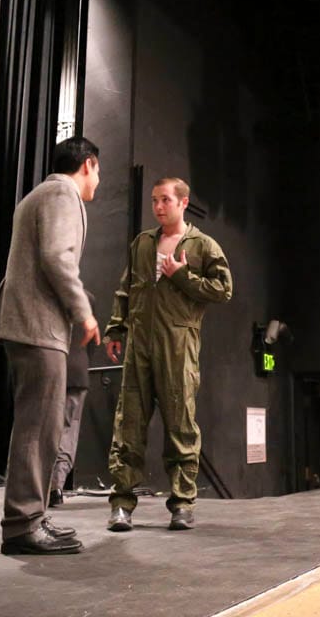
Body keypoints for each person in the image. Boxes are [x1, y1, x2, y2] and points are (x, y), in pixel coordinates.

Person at [0, 136, 101, 555]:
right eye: (98, 172)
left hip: (28, 325)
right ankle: (22, 523)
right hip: (38, 327)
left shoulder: (39, 194)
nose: (98, 181)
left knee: (42, 425)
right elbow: (58, 257)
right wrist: (83, 313)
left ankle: (31, 516)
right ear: (88, 164)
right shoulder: (61, 192)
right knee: (38, 427)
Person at [103, 177, 232, 531]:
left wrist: (182, 275)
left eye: (165, 200)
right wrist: (116, 328)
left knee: (181, 426)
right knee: (128, 425)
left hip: (178, 346)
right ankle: (122, 504)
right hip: (139, 346)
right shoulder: (142, 244)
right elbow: (126, 289)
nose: (158, 207)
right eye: (154, 201)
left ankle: (182, 504)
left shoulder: (203, 245)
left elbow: (223, 289)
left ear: (183, 202)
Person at [48, 290, 96, 508]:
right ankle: (56, 487)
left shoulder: (48, 296)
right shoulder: (88, 299)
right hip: (77, 372)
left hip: (51, 369)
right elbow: (92, 341)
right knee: (68, 430)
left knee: (45, 429)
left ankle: (42, 486)